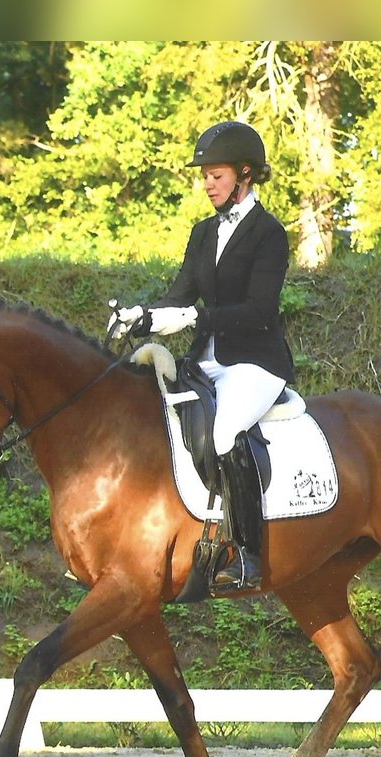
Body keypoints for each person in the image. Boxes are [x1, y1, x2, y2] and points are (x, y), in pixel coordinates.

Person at [111, 121, 295, 591]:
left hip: (254, 362)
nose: (208, 184)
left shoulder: (268, 235)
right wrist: (141, 316)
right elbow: (180, 295)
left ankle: (249, 554)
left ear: (245, 174)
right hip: (206, 360)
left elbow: (258, 311)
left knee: (227, 430)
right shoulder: (202, 233)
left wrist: (196, 319)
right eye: (205, 177)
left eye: (216, 175)